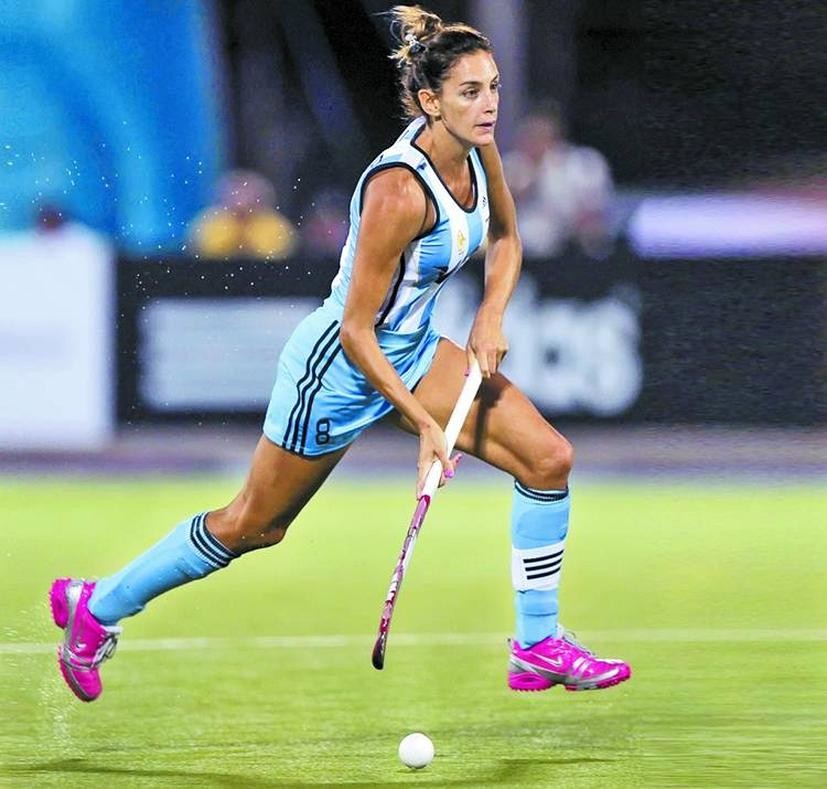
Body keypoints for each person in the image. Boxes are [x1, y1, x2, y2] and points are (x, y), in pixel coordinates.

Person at [50, 5, 630, 703]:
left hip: (413, 352)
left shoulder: (480, 148)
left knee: (547, 459)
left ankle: (536, 645)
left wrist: (489, 314)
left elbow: (505, 236)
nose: (490, 106)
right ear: (430, 102)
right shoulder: (397, 190)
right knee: (253, 525)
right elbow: (356, 331)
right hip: (336, 370)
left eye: (494, 88)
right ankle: (98, 605)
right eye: (471, 92)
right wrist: (426, 424)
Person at [503, 109, 614, 259]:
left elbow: (593, 206)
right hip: (528, 242)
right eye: (528, 137)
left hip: (574, 236)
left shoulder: (581, 162)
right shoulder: (512, 164)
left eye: (539, 137)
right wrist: (532, 175)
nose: (533, 143)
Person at [188, 169, 297, 260]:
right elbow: (205, 251)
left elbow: (279, 252)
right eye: (236, 193)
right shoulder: (211, 221)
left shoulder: (274, 223)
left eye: (247, 193)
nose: (241, 200)